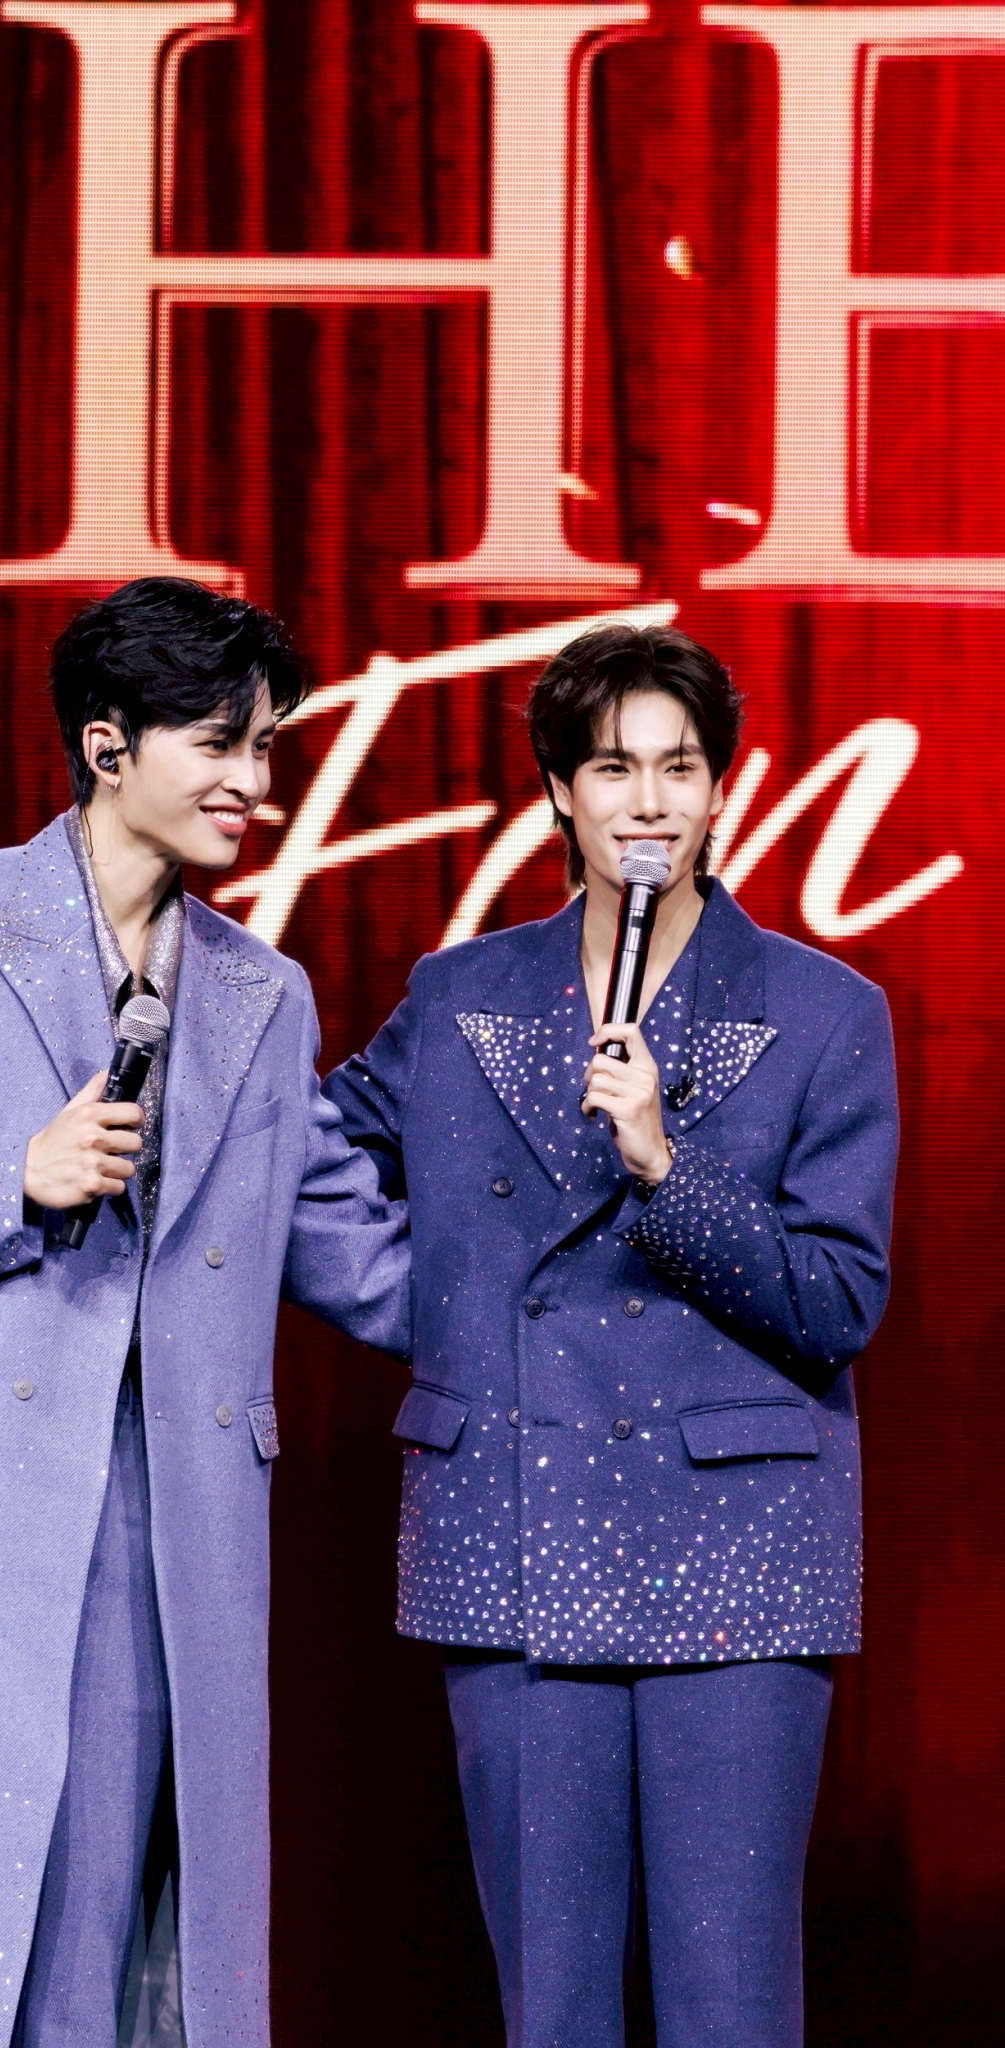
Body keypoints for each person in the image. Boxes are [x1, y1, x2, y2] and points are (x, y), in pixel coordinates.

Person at [0, 578, 410, 2048]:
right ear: (108, 744)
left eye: (265, 747)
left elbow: (361, 1258)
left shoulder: (262, 994)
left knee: (102, 1937)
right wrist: (10, 1174)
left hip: (163, 1536)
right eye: (218, 743)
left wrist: (591, 1252)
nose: (252, 782)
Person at [324, 624, 898, 2047]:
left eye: (678, 768)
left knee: (729, 2005)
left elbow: (837, 1302)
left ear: (722, 790)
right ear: (556, 795)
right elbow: (301, 1165)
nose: (648, 802)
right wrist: (442, 1315)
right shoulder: (459, 996)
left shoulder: (824, 1011)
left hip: (740, 1552)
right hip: (511, 1525)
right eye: (612, 769)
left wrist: (665, 1167)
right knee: (551, 2005)